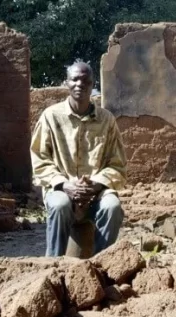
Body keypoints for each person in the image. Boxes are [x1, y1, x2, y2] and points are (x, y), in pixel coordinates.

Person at [30, 61, 127, 257]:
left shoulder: (107, 120)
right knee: (59, 205)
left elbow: (117, 164)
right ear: (66, 83)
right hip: (61, 189)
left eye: (85, 80)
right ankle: (53, 266)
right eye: (74, 79)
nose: (79, 84)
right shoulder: (51, 116)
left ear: (92, 85)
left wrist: (96, 185)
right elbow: (39, 157)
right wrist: (64, 184)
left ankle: (104, 267)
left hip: (95, 193)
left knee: (112, 207)